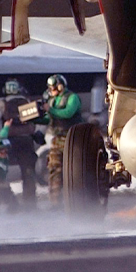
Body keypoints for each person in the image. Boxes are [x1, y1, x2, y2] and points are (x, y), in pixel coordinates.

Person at [0, 78, 40, 209]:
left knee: (1, 169)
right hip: (26, 141)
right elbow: (36, 123)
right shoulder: (27, 102)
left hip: (9, 142)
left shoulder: (2, 104)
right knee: (28, 172)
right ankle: (30, 203)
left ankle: (3, 200)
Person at [36, 74, 83, 207]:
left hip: (73, 140)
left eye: (54, 87)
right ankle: (55, 203)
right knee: (55, 170)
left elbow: (68, 113)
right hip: (58, 141)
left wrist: (50, 109)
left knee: (75, 172)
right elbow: (49, 119)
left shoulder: (72, 98)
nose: (52, 90)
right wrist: (34, 118)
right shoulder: (53, 101)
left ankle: (77, 203)